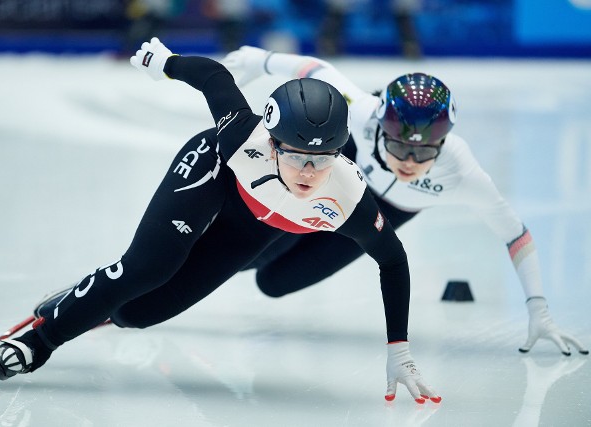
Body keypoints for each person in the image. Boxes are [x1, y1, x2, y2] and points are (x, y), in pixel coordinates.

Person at [0, 37, 441, 404]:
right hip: (215, 172)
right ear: (273, 142)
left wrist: (398, 348)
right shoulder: (243, 133)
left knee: (141, 313)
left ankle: (87, 296)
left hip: (256, 221)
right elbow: (214, 77)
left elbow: (392, 262)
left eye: (322, 160)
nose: (308, 172)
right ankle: (39, 342)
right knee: (148, 268)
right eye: (297, 156)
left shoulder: (349, 197)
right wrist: (164, 62)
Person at [222, 46, 589, 357]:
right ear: (381, 129)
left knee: (274, 282)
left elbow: (516, 234)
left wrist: (537, 307)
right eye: (399, 146)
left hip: (379, 215)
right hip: (334, 181)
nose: (409, 163)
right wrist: (262, 59)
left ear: (443, 144)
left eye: (424, 152)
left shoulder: (461, 172)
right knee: (248, 256)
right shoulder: (364, 113)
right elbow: (317, 70)